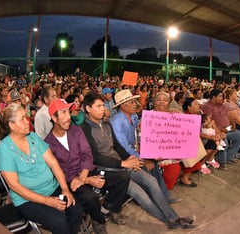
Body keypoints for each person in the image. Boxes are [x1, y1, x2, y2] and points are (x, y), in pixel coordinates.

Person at [80, 91, 197, 230]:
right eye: (98, 106)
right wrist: (123, 163)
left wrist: (129, 158)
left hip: (122, 164)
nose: (103, 109)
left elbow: (117, 146)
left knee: (151, 181)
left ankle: (174, 219)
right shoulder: (84, 129)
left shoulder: (106, 124)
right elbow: (95, 157)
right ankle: (172, 221)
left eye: (102, 106)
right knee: (141, 195)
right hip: (108, 170)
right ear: (88, 108)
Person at [0, 103, 83, 234]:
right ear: (11, 125)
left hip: (51, 188)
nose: (27, 122)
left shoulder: (33, 137)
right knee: (59, 221)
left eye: (26, 117)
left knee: (76, 208)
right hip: (27, 199)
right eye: (22, 119)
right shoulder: (5, 149)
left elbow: (54, 163)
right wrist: (47, 201)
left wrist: (65, 189)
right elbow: (14, 186)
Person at [45, 99, 130, 232]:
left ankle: (107, 208)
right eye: (63, 113)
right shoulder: (48, 143)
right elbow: (58, 169)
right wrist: (84, 180)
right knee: (91, 197)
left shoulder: (76, 131)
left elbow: (87, 154)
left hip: (87, 170)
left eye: (68, 112)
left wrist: (85, 176)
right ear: (54, 118)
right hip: (70, 179)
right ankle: (99, 220)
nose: (68, 117)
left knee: (123, 176)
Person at [109, 90, 180, 204]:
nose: (135, 104)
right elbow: (123, 146)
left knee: (153, 164)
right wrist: (142, 158)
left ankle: (163, 196)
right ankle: (153, 198)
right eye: (132, 102)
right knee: (148, 166)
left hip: (135, 150)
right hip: (123, 155)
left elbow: (142, 135)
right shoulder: (116, 121)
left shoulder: (134, 116)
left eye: (134, 101)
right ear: (123, 105)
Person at [201, 89, 240, 169]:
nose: (222, 98)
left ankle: (229, 156)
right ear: (213, 97)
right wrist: (220, 130)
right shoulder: (207, 106)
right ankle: (222, 161)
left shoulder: (223, 105)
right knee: (223, 141)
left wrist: (233, 123)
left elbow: (228, 116)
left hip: (228, 128)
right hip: (216, 130)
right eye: (220, 96)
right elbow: (209, 123)